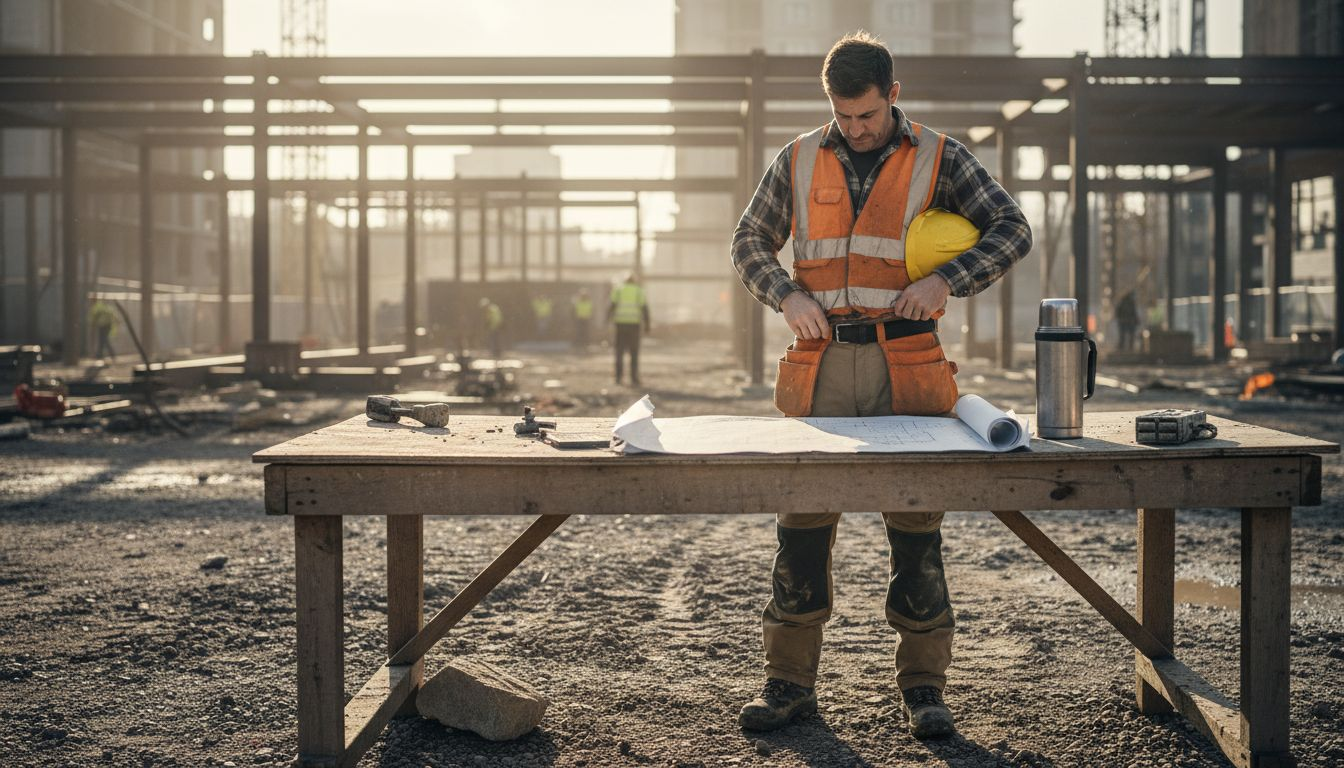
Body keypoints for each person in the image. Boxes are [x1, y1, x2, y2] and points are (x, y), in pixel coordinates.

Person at [730, 31, 1031, 739]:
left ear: (892, 95)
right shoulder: (799, 157)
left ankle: (925, 687)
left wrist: (945, 280)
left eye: (866, 114)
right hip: (822, 364)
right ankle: (788, 684)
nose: (856, 129)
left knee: (916, 532)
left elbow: (1012, 230)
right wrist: (787, 297)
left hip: (909, 364)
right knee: (800, 529)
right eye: (843, 115)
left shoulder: (941, 156)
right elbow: (747, 242)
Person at [609, 273, 650, 385]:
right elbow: (644, 308)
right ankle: (634, 378)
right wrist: (647, 324)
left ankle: (618, 378)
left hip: (620, 324)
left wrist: (607, 320)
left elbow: (612, 305)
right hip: (634, 325)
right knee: (634, 352)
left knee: (619, 352)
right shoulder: (638, 290)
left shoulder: (618, 290)